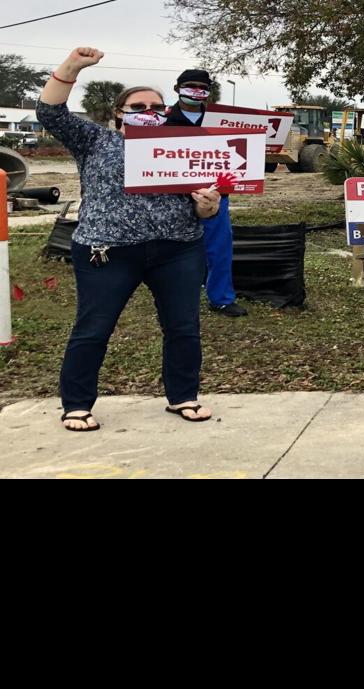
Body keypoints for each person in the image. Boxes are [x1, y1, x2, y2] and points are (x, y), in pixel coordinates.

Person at [37, 47, 222, 431]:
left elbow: (205, 205)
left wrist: (209, 207)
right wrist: (72, 67)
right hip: (107, 252)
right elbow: (50, 113)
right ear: (119, 112)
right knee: (93, 328)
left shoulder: (183, 145)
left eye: (157, 106)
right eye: (139, 105)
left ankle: (183, 397)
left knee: (183, 327)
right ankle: (76, 404)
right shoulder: (95, 141)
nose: (149, 111)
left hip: (178, 249)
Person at [164, 68, 246, 317]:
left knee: (219, 248)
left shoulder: (222, 121)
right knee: (171, 248)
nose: (197, 92)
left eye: (203, 87)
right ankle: (172, 295)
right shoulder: (162, 121)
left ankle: (221, 298)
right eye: (190, 86)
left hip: (214, 194)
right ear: (177, 88)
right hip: (172, 196)